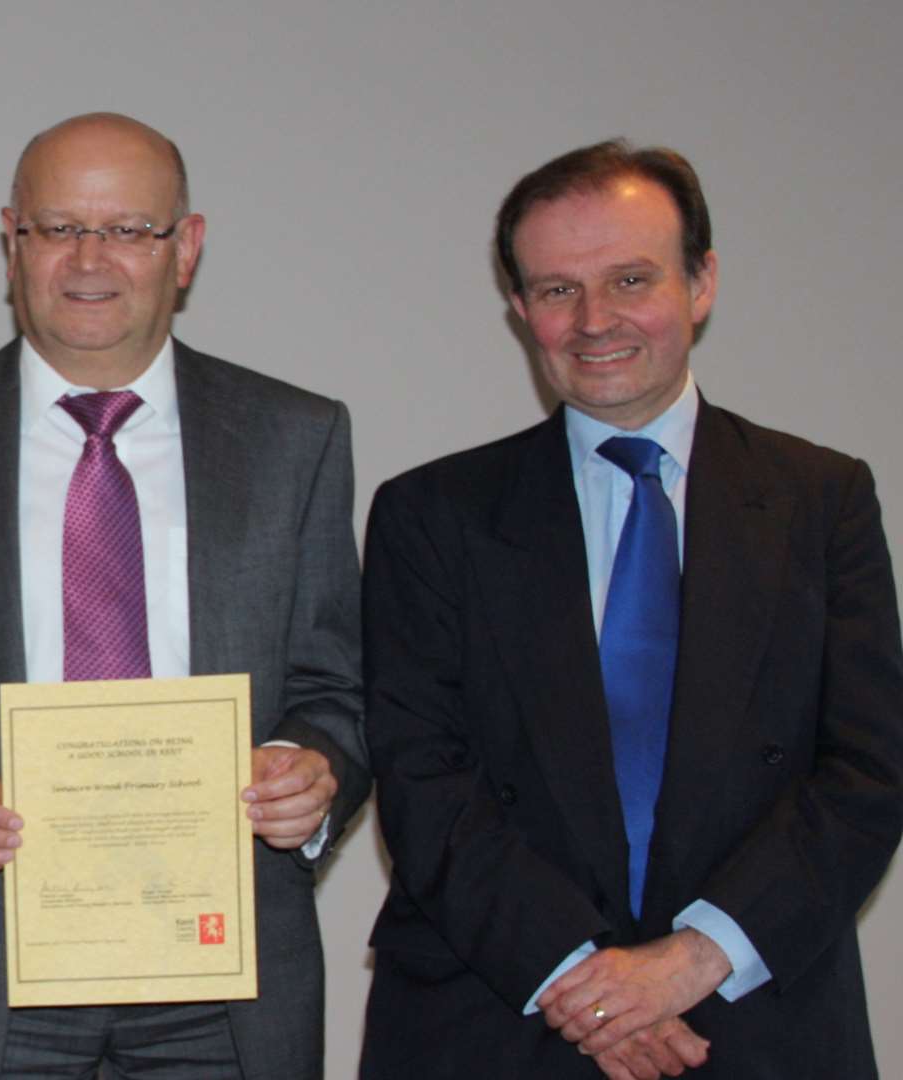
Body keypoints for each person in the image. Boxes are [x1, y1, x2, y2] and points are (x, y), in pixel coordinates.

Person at [0, 112, 370, 1079]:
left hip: (223, 980)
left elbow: (339, 693)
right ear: (12, 241)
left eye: (129, 231)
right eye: (58, 228)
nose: (88, 259)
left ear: (185, 249)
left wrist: (310, 772)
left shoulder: (294, 439)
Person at [360, 140, 903, 1079]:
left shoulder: (822, 499)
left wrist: (690, 962)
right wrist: (594, 985)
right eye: (557, 289)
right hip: (497, 1016)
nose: (595, 320)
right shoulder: (431, 514)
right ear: (522, 310)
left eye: (630, 278)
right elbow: (421, 776)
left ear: (702, 283)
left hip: (753, 1015)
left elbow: (869, 768)